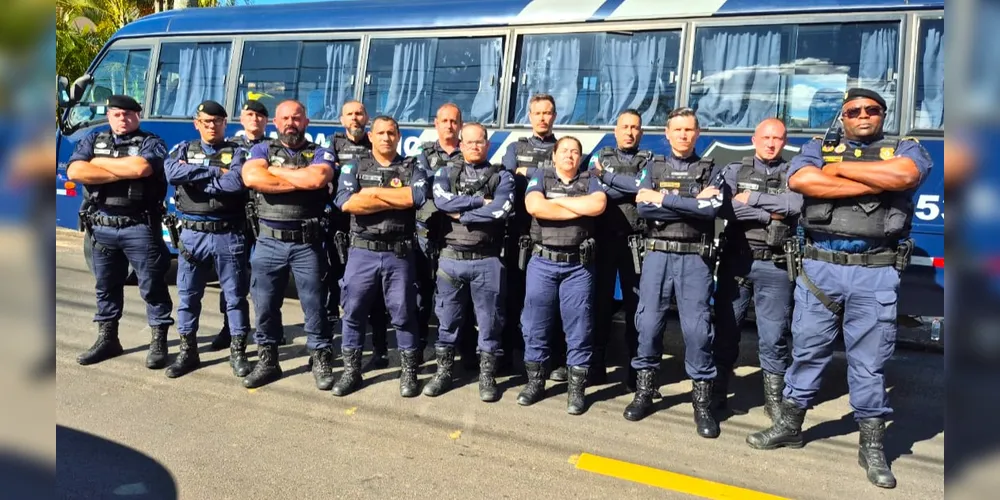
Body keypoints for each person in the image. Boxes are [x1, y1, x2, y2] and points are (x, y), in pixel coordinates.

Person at [746, 88, 932, 489]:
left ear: (882, 114)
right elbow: (803, 181)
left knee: (869, 361)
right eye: (854, 111)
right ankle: (790, 425)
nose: (863, 115)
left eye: (872, 109)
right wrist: (875, 184)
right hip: (820, 268)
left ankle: (872, 446)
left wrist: (838, 172)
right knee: (808, 349)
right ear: (843, 117)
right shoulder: (818, 146)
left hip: (874, 270)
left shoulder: (905, 148)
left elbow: (904, 175)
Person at [625, 107, 723, 439]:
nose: (683, 135)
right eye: (677, 130)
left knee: (697, 331)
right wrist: (691, 201)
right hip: (657, 255)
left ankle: (702, 403)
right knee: (648, 325)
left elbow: (710, 211)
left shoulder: (711, 170)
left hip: (695, 258)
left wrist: (663, 198)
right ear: (667, 134)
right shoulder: (652, 167)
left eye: (689, 130)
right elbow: (642, 206)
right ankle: (645, 391)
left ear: (697, 134)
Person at [66, 95, 174, 369]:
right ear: (109, 114)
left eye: (128, 114)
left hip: (139, 225)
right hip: (102, 225)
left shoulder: (152, 141)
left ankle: (159, 341)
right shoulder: (93, 139)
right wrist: (121, 170)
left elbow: (140, 167)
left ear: (138, 115)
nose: (122, 119)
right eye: (116, 114)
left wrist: (98, 164)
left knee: (152, 286)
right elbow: (75, 170)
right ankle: (108, 339)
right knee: (106, 286)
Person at [240, 99, 337, 390]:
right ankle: (268, 361)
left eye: (296, 118)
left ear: (306, 122)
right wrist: (299, 179)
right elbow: (251, 176)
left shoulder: (321, 152)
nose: (290, 123)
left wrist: (275, 173)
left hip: (307, 242)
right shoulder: (261, 149)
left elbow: (317, 178)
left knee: (315, 306)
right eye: (284, 118)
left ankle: (320, 357)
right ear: (275, 123)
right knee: (265, 305)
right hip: (268, 242)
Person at [332, 115, 429, 398]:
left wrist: (371, 193)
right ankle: (352, 372)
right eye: (380, 133)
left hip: (399, 254)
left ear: (398, 136)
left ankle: (409, 373)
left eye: (391, 133)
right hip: (362, 251)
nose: (386, 137)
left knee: (404, 313)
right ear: (371, 137)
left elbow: (416, 199)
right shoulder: (354, 165)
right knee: (353, 312)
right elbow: (347, 203)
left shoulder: (413, 166)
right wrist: (392, 195)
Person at [712, 118, 801, 418]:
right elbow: (725, 206)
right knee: (725, 331)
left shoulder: (793, 172)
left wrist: (753, 199)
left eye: (778, 138)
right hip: (736, 261)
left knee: (774, 337)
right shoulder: (736, 170)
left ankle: (774, 402)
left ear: (784, 141)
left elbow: (797, 204)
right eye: (766, 137)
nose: (771, 143)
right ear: (754, 139)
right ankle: (717, 392)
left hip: (775, 266)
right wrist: (768, 216)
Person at [425, 123, 515, 401]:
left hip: (487, 261)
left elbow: (500, 210)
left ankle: (486, 377)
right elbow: (442, 202)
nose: (475, 146)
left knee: (490, 323)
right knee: (447, 320)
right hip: (450, 260)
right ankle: (443, 373)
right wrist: (479, 202)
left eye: (480, 142)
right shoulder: (445, 172)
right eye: (470, 142)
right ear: (460, 145)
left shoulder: (503, 177)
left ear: (488, 145)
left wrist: (462, 214)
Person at [162, 100, 252, 379]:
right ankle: (189, 353)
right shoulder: (183, 149)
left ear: (226, 124)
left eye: (217, 121)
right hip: (192, 234)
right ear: (197, 124)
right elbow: (171, 173)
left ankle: (237, 352)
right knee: (188, 296)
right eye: (206, 121)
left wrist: (195, 179)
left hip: (228, 234)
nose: (211, 126)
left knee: (236, 297)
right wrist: (213, 171)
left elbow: (235, 183)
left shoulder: (238, 152)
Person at [518, 136, 606, 415]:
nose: (570, 155)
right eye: (564, 151)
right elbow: (535, 207)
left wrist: (557, 206)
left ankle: (576, 391)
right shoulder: (539, 176)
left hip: (578, 267)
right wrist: (575, 205)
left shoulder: (590, 179)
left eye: (575, 152)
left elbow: (597, 206)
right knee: (535, 326)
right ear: (554, 156)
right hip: (542, 262)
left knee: (579, 328)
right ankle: (535, 383)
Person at [589, 109, 654, 391]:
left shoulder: (651, 160)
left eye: (635, 127)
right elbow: (596, 191)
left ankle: (635, 371)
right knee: (598, 305)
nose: (629, 132)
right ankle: (595, 366)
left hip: (636, 243)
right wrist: (631, 188)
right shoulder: (598, 157)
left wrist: (611, 181)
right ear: (615, 130)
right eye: (625, 126)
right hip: (604, 242)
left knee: (637, 308)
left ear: (641, 132)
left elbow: (645, 188)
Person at [327, 100, 392, 370]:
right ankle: (329, 349)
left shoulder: (375, 144)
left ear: (367, 118)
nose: (355, 119)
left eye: (360, 114)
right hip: (337, 227)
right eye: (350, 115)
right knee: (331, 291)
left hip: (368, 228)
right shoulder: (331, 147)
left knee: (374, 294)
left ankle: (379, 350)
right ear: (342, 120)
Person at [414, 103, 478, 370]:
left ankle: (463, 349)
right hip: (426, 232)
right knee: (420, 295)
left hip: (456, 235)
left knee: (459, 295)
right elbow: (419, 187)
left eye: (454, 121)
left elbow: (475, 189)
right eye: (445, 121)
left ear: (460, 125)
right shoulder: (422, 153)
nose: (450, 125)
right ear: (436, 123)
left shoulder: (468, 153)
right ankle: (416, 349)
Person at [501, 93, 561, 378]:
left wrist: (530, 171)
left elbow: (569, 178)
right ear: (530, 116)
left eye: (548, 113)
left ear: (555, 116)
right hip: (518, 233)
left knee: (550, 302)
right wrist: (548, 173)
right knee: (513, 297)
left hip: (550, 235)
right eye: (538, 113)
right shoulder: (515, 146)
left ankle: (551, 359)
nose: (543, 118)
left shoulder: (564, 148)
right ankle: (510, 358)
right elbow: (510, 174)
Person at [211, 99, 271, 351]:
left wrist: (235, 175)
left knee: (264, 278)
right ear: (241, 118)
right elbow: (217, 173)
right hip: (234, 218)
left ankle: (268, 330)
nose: (254, 119)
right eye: (249, 114)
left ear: (266, 121)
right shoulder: (229, 147)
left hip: (263, 219)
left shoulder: (273, 147)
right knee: (232, 277)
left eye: (259, 115)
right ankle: (231, 328)